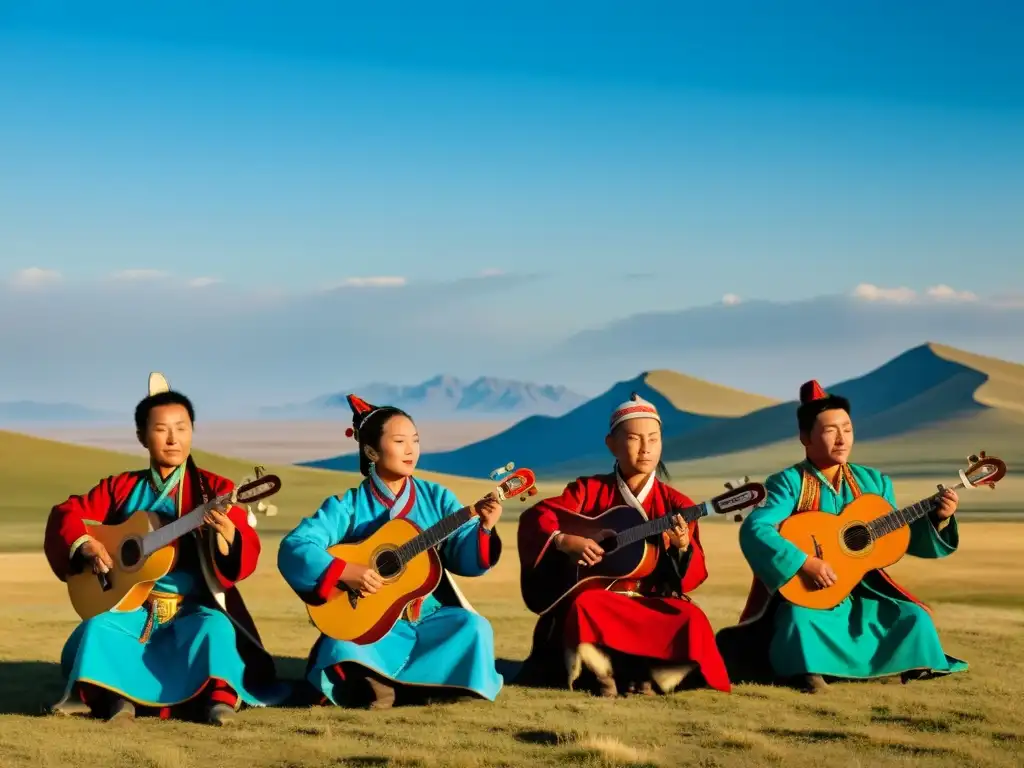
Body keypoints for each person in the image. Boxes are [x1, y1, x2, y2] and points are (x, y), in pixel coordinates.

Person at [45, 372, 286, 723]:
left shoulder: (214, 489)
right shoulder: (121, 487)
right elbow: (67, 513)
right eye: (161, 429)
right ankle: (118, 702)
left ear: (192, 432)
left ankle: (216, 702)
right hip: (132, 609)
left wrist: (228, 535)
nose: (173, 439)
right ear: (142, 436)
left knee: (216, 630)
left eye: (182, 428)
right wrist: (86, 545)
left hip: (190, 610)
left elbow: (241, 560)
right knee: (99, 627)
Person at [715, 379, 966, 693]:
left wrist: (937, 518)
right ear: (806, 438)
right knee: (799, 622)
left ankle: (903, 665)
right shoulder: (788, 482)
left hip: (861, 592)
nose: (842, 439)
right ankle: (811, 672)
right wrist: (804, 563)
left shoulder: (874, 481)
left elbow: (894, 536)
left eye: (847, 429)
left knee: (914, 617)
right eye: (830, 430)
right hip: (810, 591)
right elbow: (756, 528)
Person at [277, 394, 504, 709]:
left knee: (473, 628)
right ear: (371, 450)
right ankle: (420, 687)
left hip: (429, 619)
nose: (411, 449)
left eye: (416, 440)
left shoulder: (437, 497)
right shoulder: (349, 506)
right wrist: (346, 571)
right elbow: (296, 546)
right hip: (373, 623)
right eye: (400, 441)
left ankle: (388, 688)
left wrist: (484, 528)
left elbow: (464, 555)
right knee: (341, 643)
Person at [516, 393, 731, 697]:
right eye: (634, 438)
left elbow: (689, 578)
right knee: (585, 605)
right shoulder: (587, 491)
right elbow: (538, 516)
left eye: (654, 439)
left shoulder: (676, 504)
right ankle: (601, 674)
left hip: (649, 601)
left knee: (691, 618)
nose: (646, 448)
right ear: (611, 444)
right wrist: (565, 540)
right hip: (598, 597)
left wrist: (681, 547)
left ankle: (654, 676)